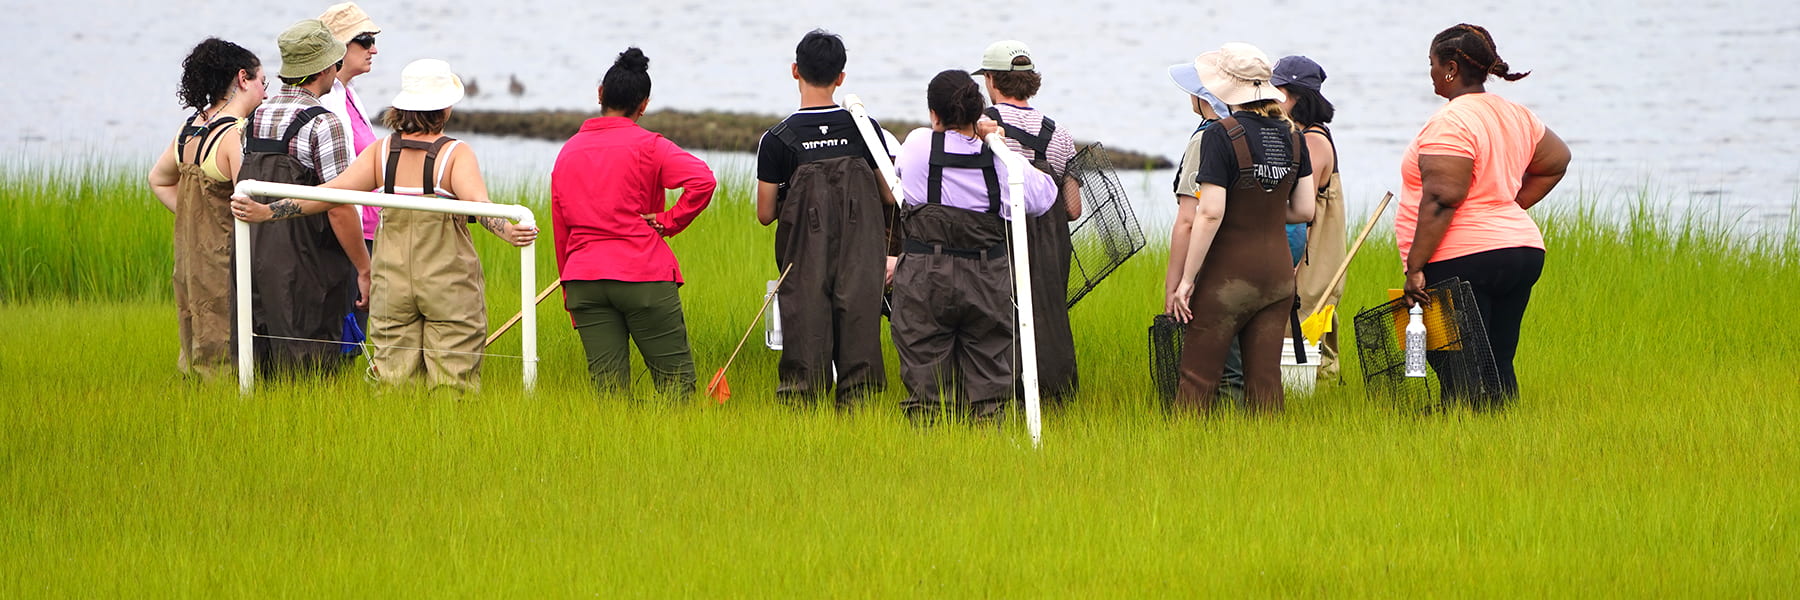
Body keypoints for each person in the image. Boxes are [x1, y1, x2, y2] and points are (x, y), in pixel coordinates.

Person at [232, 59, 537, 390]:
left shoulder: (382, 152)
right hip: (447, 282)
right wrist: (508, 231)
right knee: (454, 381)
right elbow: (482, 208)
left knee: (392, 379)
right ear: (445, 108)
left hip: (391, 281)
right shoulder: (455, 155)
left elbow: (329, 194)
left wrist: (268, 212)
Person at [1397, 24, 1570, 407]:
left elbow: (1443, 197)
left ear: (1452, 68)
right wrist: (1508, 206)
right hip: (1520, 250)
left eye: (1432, 63)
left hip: (1464, 257)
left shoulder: (1451, 121)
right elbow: (1557, 161)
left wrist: (1415, 268)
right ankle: (1500, 437)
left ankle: (1459, 440)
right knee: (1498, 361)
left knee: (1458, 370)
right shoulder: (1517, 115)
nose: (1429, 72)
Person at [890, 70, 1056, 425]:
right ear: (977, 112)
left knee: (925, 382)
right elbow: (1045, 196)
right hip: (986, 278)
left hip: (925, 277)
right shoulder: (999, 160)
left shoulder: (918, 145)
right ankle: (990, 455)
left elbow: (900, 170)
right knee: (991, 381)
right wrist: (999, 141)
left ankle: (929, 456)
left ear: (934, 114)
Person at [551, 48, 716, 399]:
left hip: (584, 280)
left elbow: (560, 228)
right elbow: (703, 180)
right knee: (676, 389)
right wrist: (669, 221)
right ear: (643, 105)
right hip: (643, 275)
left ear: (600, 94)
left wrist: (569, 287)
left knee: (608, 394)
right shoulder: (649, 146)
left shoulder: (567, 152)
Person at [1166, 42, 1317, 413]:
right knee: (1265, 383)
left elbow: (1210, 213)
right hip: (1279, 277)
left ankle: (1183, 455)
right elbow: (1304, 209)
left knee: (1197, 379)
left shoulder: (1221, 135)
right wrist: (1262, 210)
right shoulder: (1295, 137)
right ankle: (1270, 458)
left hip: (1228, 278)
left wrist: (1186, 281)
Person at [754, 30, 896, 411]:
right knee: (859, 341)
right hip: (861, 256)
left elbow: (765, 214)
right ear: (841, 78)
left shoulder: (777, 139)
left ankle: (802, 419)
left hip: (804, 262)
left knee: (806, 342)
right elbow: (888, 194)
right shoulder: (865, 129)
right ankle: (860, 417)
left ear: (795, 71)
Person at [235, 19, 371, 376]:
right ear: (325, 68)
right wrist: (363, 266)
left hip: (256, 252)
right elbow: (339, 205)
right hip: (309, 259)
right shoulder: (325, 123)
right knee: (310, 363)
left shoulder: (256, 116)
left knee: (259, 355)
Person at [147, 38, 266, 378]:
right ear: (243, 79)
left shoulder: (190, 128)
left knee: (194, 336)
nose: (265, 94)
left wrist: (192, 218)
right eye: (262, 83)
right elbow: (250, 202)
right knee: (226, 349)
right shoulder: (235, 135)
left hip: (188, 256)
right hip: (224, 258)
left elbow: (158, 179)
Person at [973, 39, 1082, 404]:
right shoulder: (1061, 134)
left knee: (998, 311)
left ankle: (1004, 393)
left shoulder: (982, 125)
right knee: (1049, 313)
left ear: (991, 80)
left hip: (1001, 233)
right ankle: (1055, 395)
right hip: (1051, 238)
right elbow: (1073, 209)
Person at [1274, 55, 1346, 382]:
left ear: (1297, 98)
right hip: (1315, 258)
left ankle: (1314, 398)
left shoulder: (1313, 141)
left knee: (1306, 335)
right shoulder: (1312, 135)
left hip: (1314, 261)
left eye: (1280, 93)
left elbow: (1299, 204)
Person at [317, 1, 384, 338]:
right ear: (339, 47)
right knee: (345, 329)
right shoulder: (326, 102)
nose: (374, 48)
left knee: (357, 327)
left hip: (369, 229)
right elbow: (336, 182)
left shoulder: (348, 94)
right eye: (364, 39)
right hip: (347, 235)